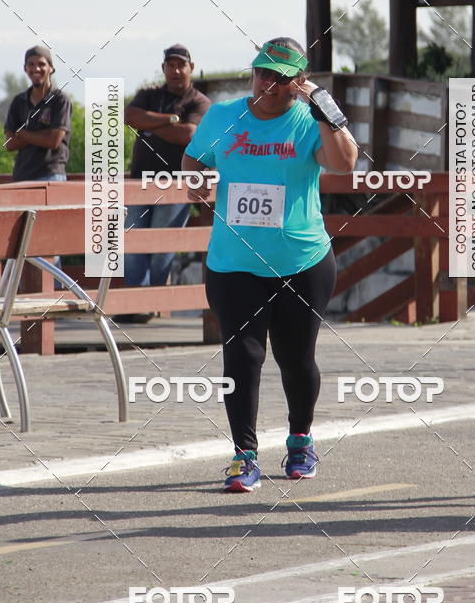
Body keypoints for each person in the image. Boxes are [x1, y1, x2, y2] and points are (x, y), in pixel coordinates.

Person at [182, 37, 358, 492]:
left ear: (299, 83)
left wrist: (322, 105)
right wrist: (196, 181)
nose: (269, 85)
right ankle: (244, 456)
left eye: (282, 78)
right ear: (252, 73)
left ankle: (300, 439)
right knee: (242, 356)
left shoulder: (307, 121)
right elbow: (194, 159)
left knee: (296, 359)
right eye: (263, 73)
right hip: (234, 262)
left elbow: (343, 163)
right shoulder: (222, 116)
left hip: (301, 261)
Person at [121, 44, 210, 322]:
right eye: (170, 65)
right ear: (163, 69)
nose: (175, 70)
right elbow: (129, 116)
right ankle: (133, 304)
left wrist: (150, 127)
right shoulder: (149, 94)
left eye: (180, 65)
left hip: (176, 184)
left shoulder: (198, 102)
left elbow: (188, 134)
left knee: (162, 246)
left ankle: (152, 303)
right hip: (140, 182)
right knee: (132, 241)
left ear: (191, 68)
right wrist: (169, 120)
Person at [4, 46, 72, 182]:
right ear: (25, 68)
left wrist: (23, 134)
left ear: (51, 68)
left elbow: (54, 141)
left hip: (51, 175)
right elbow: (9, 144)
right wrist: (43, 135)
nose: (36, 69)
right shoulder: (19, 101)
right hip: (21, 176)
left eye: (41, 64)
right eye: (31, 64)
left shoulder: (60, 99)